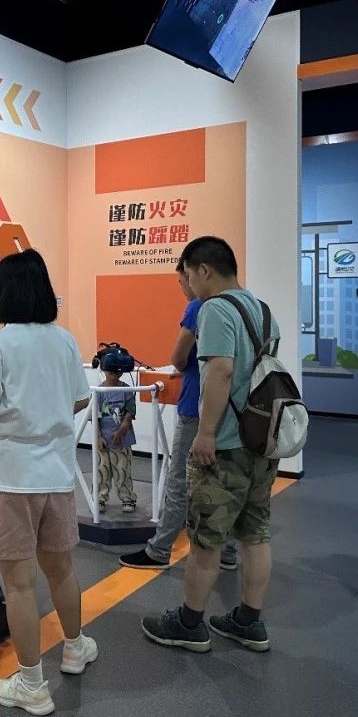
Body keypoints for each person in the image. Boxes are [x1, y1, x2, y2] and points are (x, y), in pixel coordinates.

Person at [0, 248, 96, 716]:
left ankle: (32, 684)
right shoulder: (64, 341)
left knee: (19, 586)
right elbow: (80, 400)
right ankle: (75, 648)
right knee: (62, 570)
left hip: (9, 478)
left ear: (2, 294)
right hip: (56, 475)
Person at [141, 236, 280, 654]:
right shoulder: (263, 310)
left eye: (188, 274)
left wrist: (206, 433)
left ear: (203, 270)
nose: (189, 284)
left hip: (225, 446)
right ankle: (249, 621)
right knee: (255, 534)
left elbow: (220, 371)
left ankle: (189, 624)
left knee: (206, 539)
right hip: (261, 441)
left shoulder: (216, 309)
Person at [119, 259, 237, 570]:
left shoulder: (198, 307)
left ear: (197, 273)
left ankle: (159, 550)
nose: (184, 287)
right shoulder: (239, 307)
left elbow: (179, 357)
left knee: (179, 480)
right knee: (220, 481)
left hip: (194, 407)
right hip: (228, 409)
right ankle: (227, 551)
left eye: (183, 280)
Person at [96, 363, 137, 514]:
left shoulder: (126, 390)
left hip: (122, 440)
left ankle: (127, 498)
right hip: (103, 441)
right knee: (102, 471)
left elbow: (130, 413)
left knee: (122, 470)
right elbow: (95, 417)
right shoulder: (99, 391)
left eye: (116, 372)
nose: (113, 375)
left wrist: (121, 431)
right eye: (110, 372)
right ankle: (99, 498)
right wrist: (98, 437)